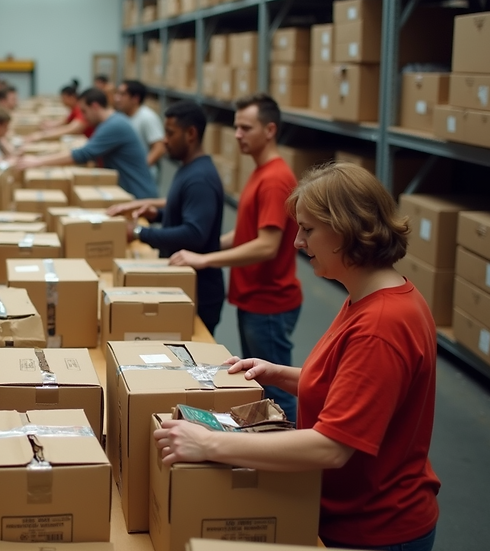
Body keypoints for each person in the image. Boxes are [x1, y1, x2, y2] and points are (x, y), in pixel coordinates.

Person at [154, 162, 440, 551]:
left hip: (373, 529)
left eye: (307, 229)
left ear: (345, 229)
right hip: (347, 513)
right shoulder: (370, 297)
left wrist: (208, 444)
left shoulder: (381, 325)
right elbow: (353, 388)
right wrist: (278, 373)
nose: (297, 243)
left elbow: (330, 447)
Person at [168, 93, 302, 421]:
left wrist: (206, 260)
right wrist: (209, 247)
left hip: (268, 303)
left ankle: (294, 446)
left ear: (270, 130)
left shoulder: (274, 179)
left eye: (246, 128)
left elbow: (266, 246)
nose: (238, 135)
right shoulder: (260, 171)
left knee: (277, 390)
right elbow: (246, 234)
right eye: (236, 127)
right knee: (261, 382)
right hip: (254, 299)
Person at [106, 99, 224, 333]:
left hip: (198, 292)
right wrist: (158, 214)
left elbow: (195, 234)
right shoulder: (189, 168)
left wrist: (139, 233)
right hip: (184, 284)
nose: (164, 141)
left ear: (191, 134)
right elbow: (187, 213)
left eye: (170, 133)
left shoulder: (200, 178)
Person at [17, 88, 155, 200]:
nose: (83, 117)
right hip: (127, 193)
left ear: (95, 106)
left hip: (137, 195)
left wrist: (38, 161)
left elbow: (84, 153)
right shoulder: (110, 123)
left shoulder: (114, 125)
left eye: (84, 111)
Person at [114, 80, 166, 182]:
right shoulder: (122, 116)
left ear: (135, 98)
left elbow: (159, 148)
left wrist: (141, 168)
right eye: (117, 93)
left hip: (142, 175)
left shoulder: (147, 117)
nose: (117, 98)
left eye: (122, 95)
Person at [28, 79, 93, 141]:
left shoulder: (80, 109)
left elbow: (71, 129)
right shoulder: (74, 109)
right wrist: (48, 126)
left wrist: (42, 135)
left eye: (63, 98)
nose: (62, 101)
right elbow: (64, 122)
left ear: (71, 97)